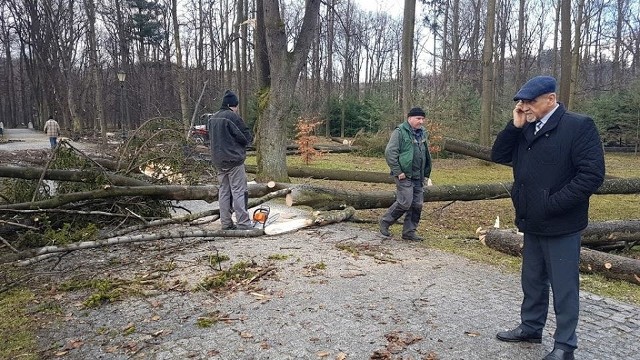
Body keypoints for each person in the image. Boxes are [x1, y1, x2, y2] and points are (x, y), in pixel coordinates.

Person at [491, 76, 605, 360]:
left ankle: (565, 345)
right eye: (521, 102)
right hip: (531, 220)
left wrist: (552, 204)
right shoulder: (525, 127)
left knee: (564, 287)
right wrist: (514, 126)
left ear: (551, 100)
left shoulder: (578, 126)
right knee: (532, 280)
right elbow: (499, 154)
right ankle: (531, 327)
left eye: (530, 102)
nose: (524, 107)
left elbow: (591, 176)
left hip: (562, 223)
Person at [379, 107, 433, 241]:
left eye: (422, 119)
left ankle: (409, 232)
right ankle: (385, 221)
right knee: (405, 202)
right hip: (404, 175)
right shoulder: (399, 132)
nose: (421, 121)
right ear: (409, 118)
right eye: (418, 118)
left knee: (417, 205)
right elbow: (390, 153)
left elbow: (425, 153)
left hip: (418, 175)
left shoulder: (422, 133)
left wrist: (426, 173)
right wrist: (398, 171)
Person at [208, 90, 254, 231]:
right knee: (239, 191)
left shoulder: (212, 119)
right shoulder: (232, 117)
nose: (236, 108)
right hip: (234, 160)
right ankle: (243, 223)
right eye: (235, 106)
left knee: (224, 191)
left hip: (218, 161)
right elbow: (245, 137)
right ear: (231, 105)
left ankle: (226, 223)